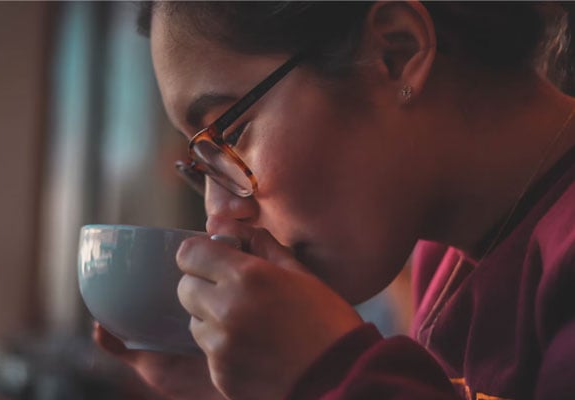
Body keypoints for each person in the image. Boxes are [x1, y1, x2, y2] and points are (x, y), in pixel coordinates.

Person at [93, 2, 575, 399]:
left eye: (231, 135)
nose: (219, 218)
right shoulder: (446, 258)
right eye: (202, 165)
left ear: (395, 53)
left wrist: (333, 375)